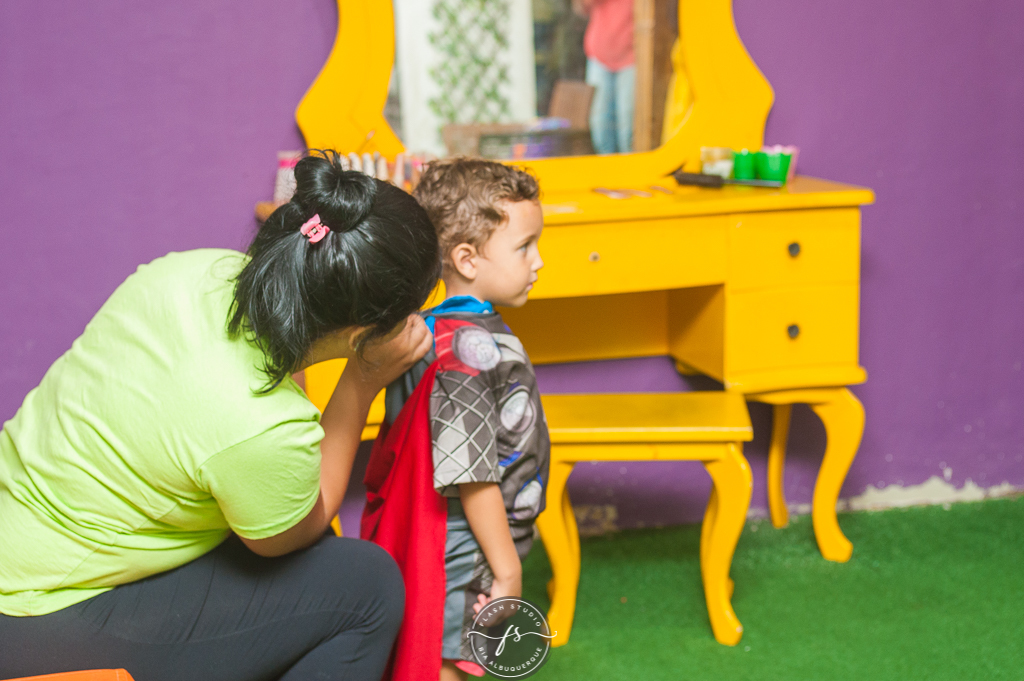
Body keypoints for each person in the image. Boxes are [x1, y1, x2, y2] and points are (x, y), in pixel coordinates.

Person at [0, 150, 440, 681]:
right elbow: (291, 534)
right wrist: (360, 383)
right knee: (367, 587)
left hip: (19, 543)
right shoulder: (261, 428)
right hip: (36, 618)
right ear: (361, 334)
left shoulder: (193, 269)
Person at [359, 159, 550, 681]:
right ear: (466, 258)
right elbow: (472, 473)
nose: (538, 261)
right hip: (465, 550)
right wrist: (506, 566)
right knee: (456, 664)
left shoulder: (450, 328)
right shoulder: (462, 350)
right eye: (524, 247)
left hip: (470, 544)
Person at [574, 0, 636, 154]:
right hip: (599, 55)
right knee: (600, 126)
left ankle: (631, 174)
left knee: (628, 127)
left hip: (632, 56)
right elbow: (581, 7)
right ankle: (608, 174)